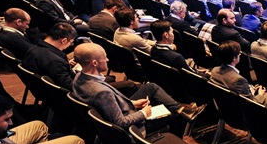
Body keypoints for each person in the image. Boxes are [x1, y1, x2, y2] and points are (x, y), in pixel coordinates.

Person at [73, 43, 203, 132]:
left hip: (122, 107)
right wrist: (143, 112)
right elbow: (120, 123)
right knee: (174, 117)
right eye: (104, 57)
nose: (107, 60)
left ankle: (182, 109)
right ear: (94, 63)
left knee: (151, 87)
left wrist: (133, 102)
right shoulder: (101, 93)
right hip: (133, 126)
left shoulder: (79, 77)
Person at [211, 41, 267, 106]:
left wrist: (250, 90)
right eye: (239, 53)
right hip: (247, 110)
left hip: (225, 106)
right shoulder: (239, 80)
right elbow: (250, 105)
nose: (240, 54)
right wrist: (260, 95)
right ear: (234, 58)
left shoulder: (214, 70)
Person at [22, 22, 78, 89]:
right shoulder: (56, 61)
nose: (69, 45)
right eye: (70, 43)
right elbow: (71, 86)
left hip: (37, 88)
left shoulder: (32, 49)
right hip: (56, 95)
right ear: (64, 41)